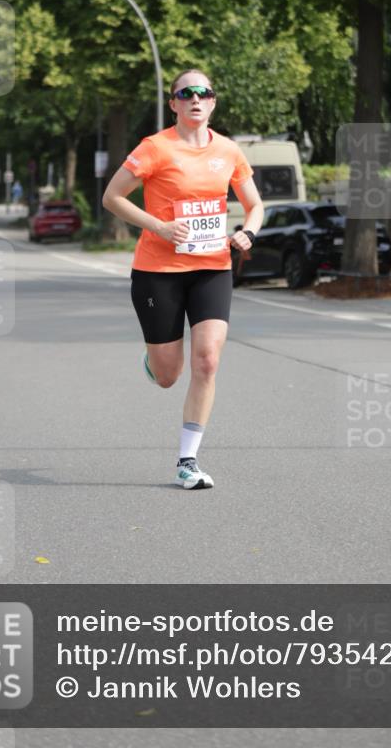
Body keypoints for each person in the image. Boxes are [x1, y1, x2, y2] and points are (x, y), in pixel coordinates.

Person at [102, 69, 264, 490]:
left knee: (207, 360)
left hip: (212, 266)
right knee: (170, 374)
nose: (195, 98)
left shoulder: (228, 151)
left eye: (204, 92)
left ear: (213, 102)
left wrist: (248, 231)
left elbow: (255, 205)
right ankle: (155, 363)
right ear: (173, 103)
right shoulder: (155, 148)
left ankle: (187, 461)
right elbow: (112, 197)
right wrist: (158, 226)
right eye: (185, 93)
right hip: (158, 272)